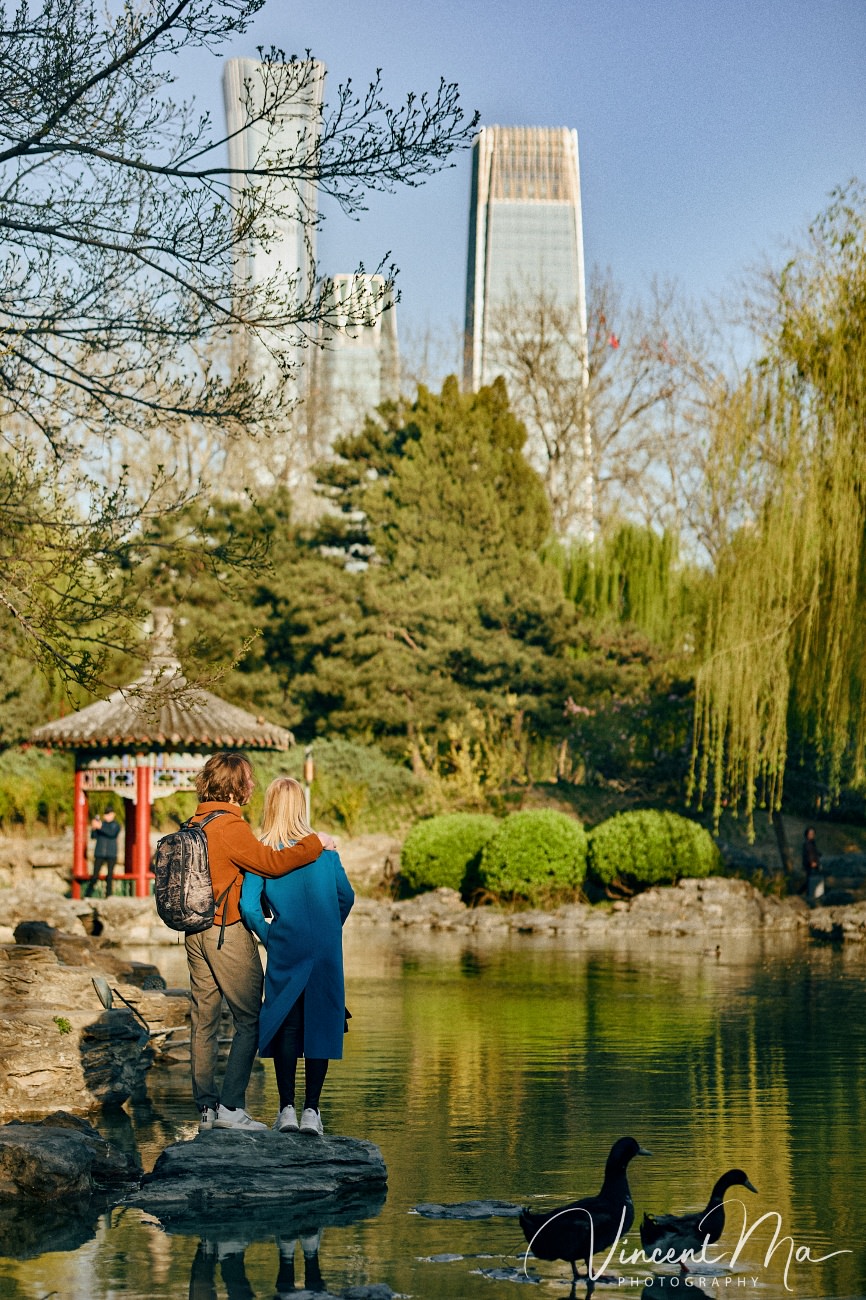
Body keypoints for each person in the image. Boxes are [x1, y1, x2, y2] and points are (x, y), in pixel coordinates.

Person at [186, 752, 336, 1133]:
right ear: (236, 785)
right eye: (248, 779)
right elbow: (269, 864)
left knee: (204, 1020)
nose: (252, 785)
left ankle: (206, 1110)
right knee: (250, 1019)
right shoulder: (231, 828)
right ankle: (231, 1107)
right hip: (224, 931)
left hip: (194, 932)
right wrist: (315, 843)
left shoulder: (196, 821)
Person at [240, 776, 354, 1137]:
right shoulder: (324, 850)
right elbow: (346, 897)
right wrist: (329, 929)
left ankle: (286, 1109)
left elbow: (248, 905)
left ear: (270, 806)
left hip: (286, 943)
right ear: (301, 806)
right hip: (325, 946)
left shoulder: (264, 852)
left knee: (287, 1022)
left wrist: (270, 934)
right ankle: (312, 1112)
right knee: (320, 1020)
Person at [84, 808, 121, 897]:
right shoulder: (101, 824)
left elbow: (112, 833)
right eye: (106, 814)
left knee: (110, 876)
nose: (107, 816)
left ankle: (109, 895)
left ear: (113, 814)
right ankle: (88, 895)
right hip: (100, 852)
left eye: (109, 814)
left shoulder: (116, 825)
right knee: (95, 875)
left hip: (111, 853)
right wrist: (93, 828)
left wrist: (100, 827)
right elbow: (93, 836)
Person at [802, 826, 824, 904]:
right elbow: (808, 854)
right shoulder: (807, 844)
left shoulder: (812, 843)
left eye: (813, 833)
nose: (812, 835)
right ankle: (808, 896)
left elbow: (814, 852)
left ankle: (808, 895)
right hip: (810, 864)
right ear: (807, 834)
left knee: (810, 880)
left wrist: (819, 855)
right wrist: (812, 862)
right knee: (810, 880)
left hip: (814, 863)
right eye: (810, 833)